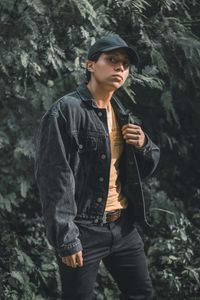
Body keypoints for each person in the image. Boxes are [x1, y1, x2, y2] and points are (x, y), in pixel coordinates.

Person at [35, 34, 160, 300]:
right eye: (111, 60)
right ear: (90, 65)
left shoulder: (123, 113)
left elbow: (143, 170)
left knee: (141, 294)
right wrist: (66, 237)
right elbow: (54, 179)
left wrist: (144, 145)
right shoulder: (65, 111)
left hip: (123, 227)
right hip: (84, 228)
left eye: (125, 64)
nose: (120, 68)